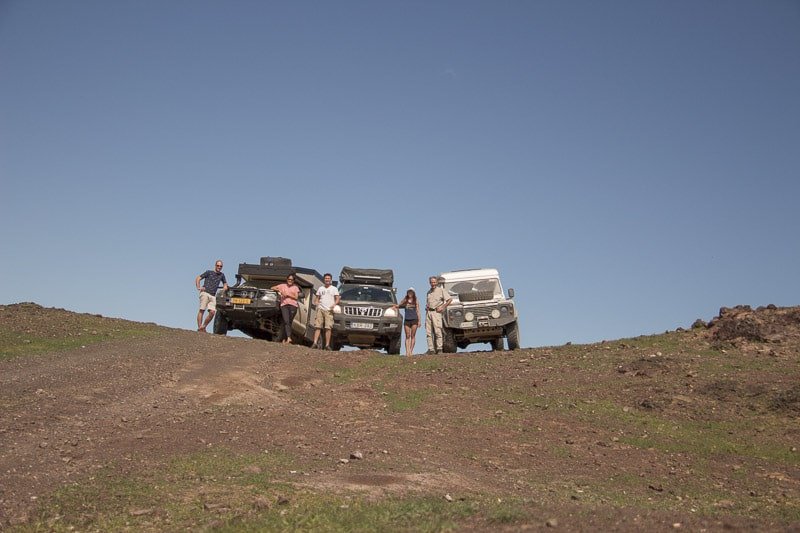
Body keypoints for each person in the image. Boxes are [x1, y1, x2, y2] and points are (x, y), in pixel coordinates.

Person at [195, 260, 228, 332]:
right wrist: (198, 287)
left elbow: (225, 283)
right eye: (218, 265)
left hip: (213, 295)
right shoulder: (208, 272)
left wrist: (225, 287)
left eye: (220, 266)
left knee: (212, 312)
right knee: (202, 310)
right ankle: (200, 327)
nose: (219, 267)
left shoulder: (222, 275)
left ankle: (203, 327)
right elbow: (198, 278)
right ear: (215, 265)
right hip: (205, 293)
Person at [312, 273, 340, 350]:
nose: (327, 279)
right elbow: (317, 298)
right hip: (320, 309)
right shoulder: (321, 288)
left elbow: (337, 299)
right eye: (326, 278)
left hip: (329, 310)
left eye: (328, 278)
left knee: (328, 328)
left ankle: (327, 345)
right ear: (324, 279)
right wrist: (317, 304)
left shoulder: (334, 289)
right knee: (318, 326)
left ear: (330, 280)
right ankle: (314, 343)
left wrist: (334, 304)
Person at [271, 273, 301, 344]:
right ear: (287, 279)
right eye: (289, 279)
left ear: (293, 281)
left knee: (288, 323)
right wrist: (280, 291)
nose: (290, 280)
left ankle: (285, 338)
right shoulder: (282, 286)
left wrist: (287, 295)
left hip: (293, 306)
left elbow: (296, 297)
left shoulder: (295, 287)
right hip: (284, 305)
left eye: (292, 280)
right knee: (286, 321)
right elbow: (272, 287)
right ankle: (289, 338)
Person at [425, 276, 452, 354]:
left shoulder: (441, 290)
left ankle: (439, 348)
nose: (433, 284)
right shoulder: (428, 292)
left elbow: (449, 299)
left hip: (436, 313)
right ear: (429, 283)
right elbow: (428, 303)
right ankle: (431, 349)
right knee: (428, 332)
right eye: (431, 282)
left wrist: (443, 307)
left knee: (437, 331)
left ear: (436, 282)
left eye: (434, 282)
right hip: (429, 313)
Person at [393, 288, 420, 356]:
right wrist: (395, 307)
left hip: (414, 319)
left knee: (413, 335)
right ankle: (407, 351)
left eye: (411, 292)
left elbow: (418, 310)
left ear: (413, 293)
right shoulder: (405, 300)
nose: (410, 294)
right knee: (407, 335)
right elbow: (399, 305)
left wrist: (419, 320)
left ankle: (411, 351)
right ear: (407, 293)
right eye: (409, 292)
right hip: (407, 320)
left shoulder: (416, 300)